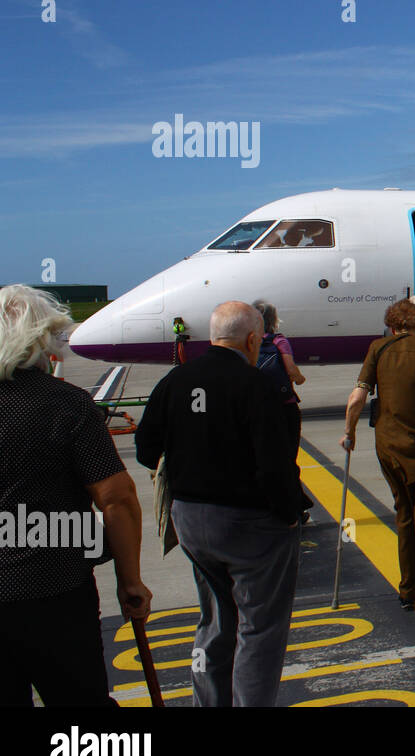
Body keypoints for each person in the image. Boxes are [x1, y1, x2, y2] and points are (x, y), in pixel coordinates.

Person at [135, 301, 301, 707]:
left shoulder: (176, 381)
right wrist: (290, 515)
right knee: (259, 629)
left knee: (215, 620)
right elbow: (275, 465)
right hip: (249, 526)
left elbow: (145, 449)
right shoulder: (255, 384)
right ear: (250, 339)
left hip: (192, 521)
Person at [0, 285, 152, 707]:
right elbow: (117, 498)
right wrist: (130, 581)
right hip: (53, 595)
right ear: (40, 341)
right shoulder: (65, 405)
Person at [342, 300, 415, 622]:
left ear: (393, 326)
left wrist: (349, 432)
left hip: (390, 447)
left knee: (405, 513)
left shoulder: (378, 349)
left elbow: (358, 396)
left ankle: (409, 590)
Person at [252, 299, 311, 521]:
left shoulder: (250, 342)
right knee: (288, 459)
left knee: (266, 459)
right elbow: (290, 368)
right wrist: (300, 379)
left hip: (259, 409)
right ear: (273, 319)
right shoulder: (279, 341)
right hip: (284, 408)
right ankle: (296, 506)